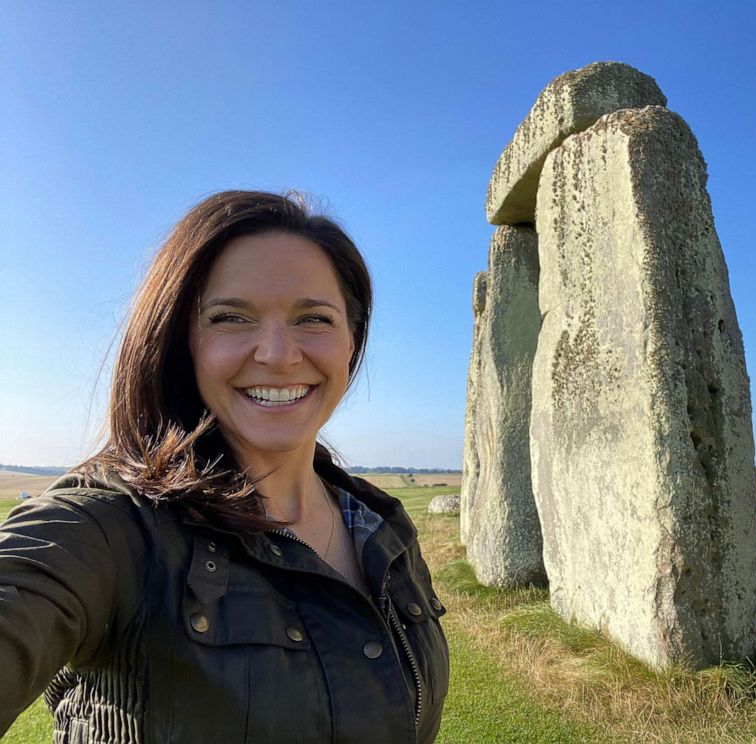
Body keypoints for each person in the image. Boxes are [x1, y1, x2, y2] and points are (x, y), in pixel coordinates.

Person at [0, 191, 449, 743]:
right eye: (231, 317)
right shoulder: (111, 530)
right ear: (180, 341)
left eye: (314, 318)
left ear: (351, 342)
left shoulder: (382, 527)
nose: (278, 354)